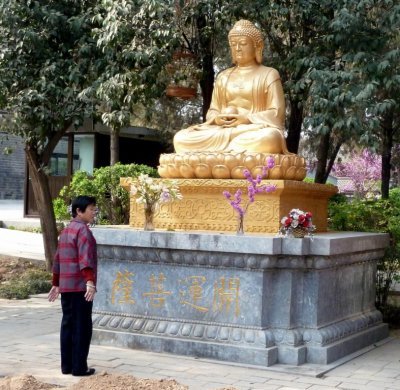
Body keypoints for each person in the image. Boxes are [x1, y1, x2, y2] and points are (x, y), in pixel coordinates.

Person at [173, 19, 291, 155]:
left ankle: (218, 156)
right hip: (221, 131)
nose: (237, 48)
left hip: (252, 131)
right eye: (233, 45)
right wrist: (217, 118)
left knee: (270, 139)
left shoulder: (269, 74)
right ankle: (230, 155)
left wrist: (247, 118)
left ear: (257, 46)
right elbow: (213, 111)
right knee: (180, 138)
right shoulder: (223, 76)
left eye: (243, 44)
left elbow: (277, 113)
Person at [48, 195, 98, 377]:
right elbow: (85, 260)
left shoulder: (66, 230)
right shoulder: (83, 231)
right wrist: (90, 282)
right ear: (79, 210)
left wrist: (56, 283)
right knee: (82, 326)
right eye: (91, 209)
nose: (94, 212)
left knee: (68, 324)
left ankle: (67, 366)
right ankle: (79, 368)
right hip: (80, 287)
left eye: (94, 209)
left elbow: (57, 259)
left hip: (66, 287)